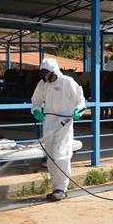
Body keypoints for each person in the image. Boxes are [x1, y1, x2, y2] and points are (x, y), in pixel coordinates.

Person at [31, 59, 85, 201]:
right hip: (48, 123)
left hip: (64, 123)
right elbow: (36, 100)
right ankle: (56, 187)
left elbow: (80, 99)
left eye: (48, 73)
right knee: (50, 157)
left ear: (54, 71)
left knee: (60, 154)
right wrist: (36, 110)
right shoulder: (43, 84)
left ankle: (62, 188)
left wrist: (78, 110)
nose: (46, 76)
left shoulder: (68, 82)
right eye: (44, 74)